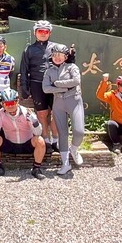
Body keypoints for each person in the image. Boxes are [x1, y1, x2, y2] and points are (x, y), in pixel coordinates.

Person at [19, 20, 70, 152]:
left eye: (45, 31)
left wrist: (72, 57)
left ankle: (55, 140)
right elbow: (24, 70)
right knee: (41, 114)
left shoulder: (56, 47)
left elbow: (67, 64)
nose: (43, 34)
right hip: (37, 83)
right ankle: (45, 140)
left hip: (55, 84)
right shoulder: (29, 49)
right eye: (40, 31)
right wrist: (25, 88)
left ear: (50, 33)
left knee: (56, 113)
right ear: (35, 32)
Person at [42, 43, 85, 175]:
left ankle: (74, 149)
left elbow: (76, 81)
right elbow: (46, 88)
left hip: (74, 100)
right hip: (58, 102)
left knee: (79, 131)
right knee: (62, 134)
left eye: (61, 55)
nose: (58, 58)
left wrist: (57, 83)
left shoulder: (72, 67)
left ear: (66, 56)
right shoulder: (49, 71)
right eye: (55, 55)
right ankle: (65, 164)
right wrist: (64, 88)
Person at [0, 88, 46, 180]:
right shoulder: (0, 113)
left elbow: (38, 133)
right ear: (2, 104)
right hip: (10, 144)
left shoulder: (26, 112)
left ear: (17, 101)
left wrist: (35, 122)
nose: (10, 106)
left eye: (12, 103)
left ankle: (36, 169)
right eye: (7, 104)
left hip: (27, 144)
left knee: (40, 140)